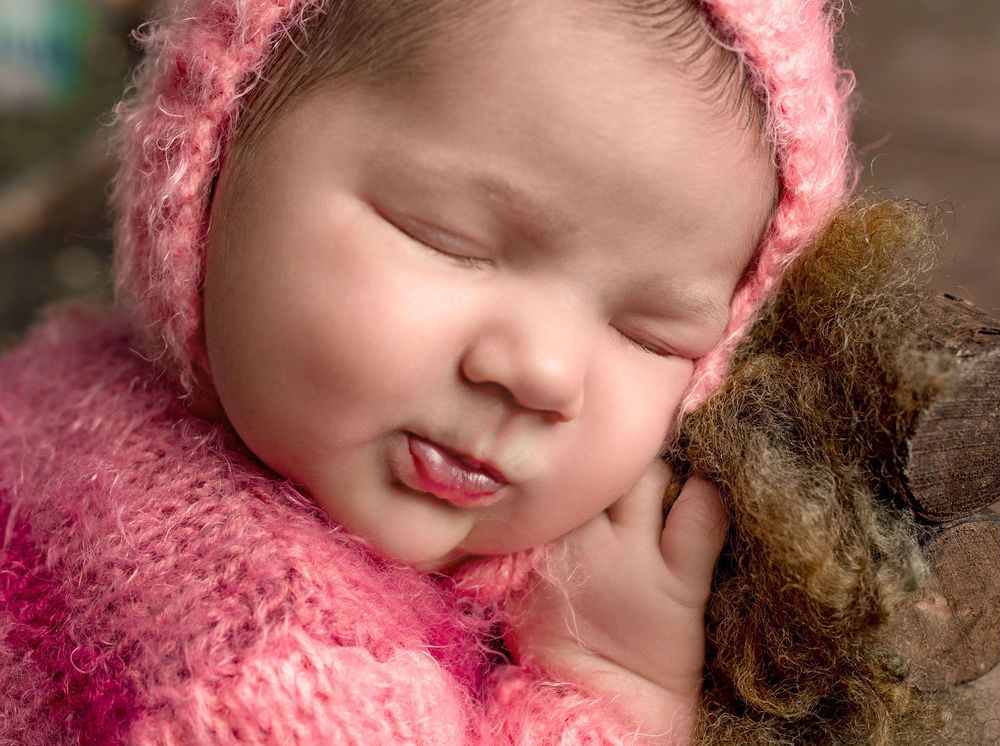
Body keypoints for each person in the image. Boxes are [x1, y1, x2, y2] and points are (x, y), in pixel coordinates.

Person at [0, 0, 853, 742]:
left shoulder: (62, 397)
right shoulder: (279, 663)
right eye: (447, 239)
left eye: (651, 335)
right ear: (210, 161)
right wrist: (612, 694)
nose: (546, 373)